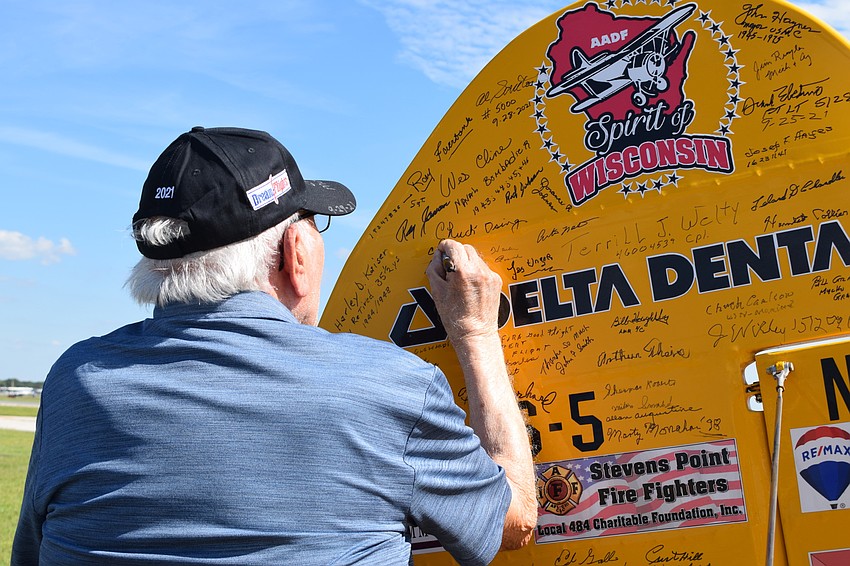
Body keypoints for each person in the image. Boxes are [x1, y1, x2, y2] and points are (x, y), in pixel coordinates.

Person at [12, 126, 536, 565]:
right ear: (295, 253)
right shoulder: (388, 387)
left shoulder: (75, 383)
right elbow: (513, 522)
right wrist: (475, 333)